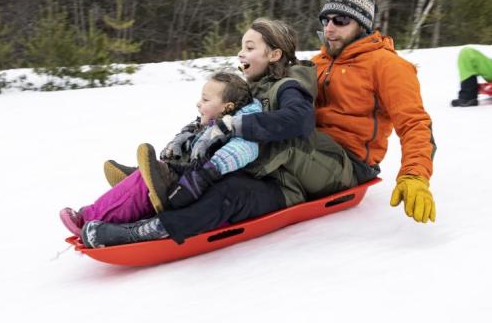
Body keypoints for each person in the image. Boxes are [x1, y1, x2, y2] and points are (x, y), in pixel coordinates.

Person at [83, 18, 356, 248]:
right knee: (206, 170)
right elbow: (218, 121)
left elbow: (300, 120)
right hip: (262, 169)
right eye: (241, 47)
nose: (241, 54)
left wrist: (234, 126)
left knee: (228, 191)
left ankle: (151, 229)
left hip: (288, 183)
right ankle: (158, 180)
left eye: (249, 47)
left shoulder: (289, 85)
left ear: (274, 54)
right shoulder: (254, 89)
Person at [59, 71, 262, 238]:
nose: (198, 103)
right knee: (144, 186)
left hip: (195, 191)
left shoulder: (240, 127)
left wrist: (207, 172)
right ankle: (144, 179)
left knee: (142, 184)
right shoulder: (207, 125)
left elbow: (246, 149)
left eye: (206, 99)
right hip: (183, 182)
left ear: (227, 107)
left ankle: (88, 217)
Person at [312, 0, 436, 223]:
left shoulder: (386, 65)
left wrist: (415, 176)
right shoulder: (319, 61)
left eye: (340, 20)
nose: (329, 28)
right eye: (325, 20)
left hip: (350, 162)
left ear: (362, 25)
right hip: (310, 148)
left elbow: (415, 123)